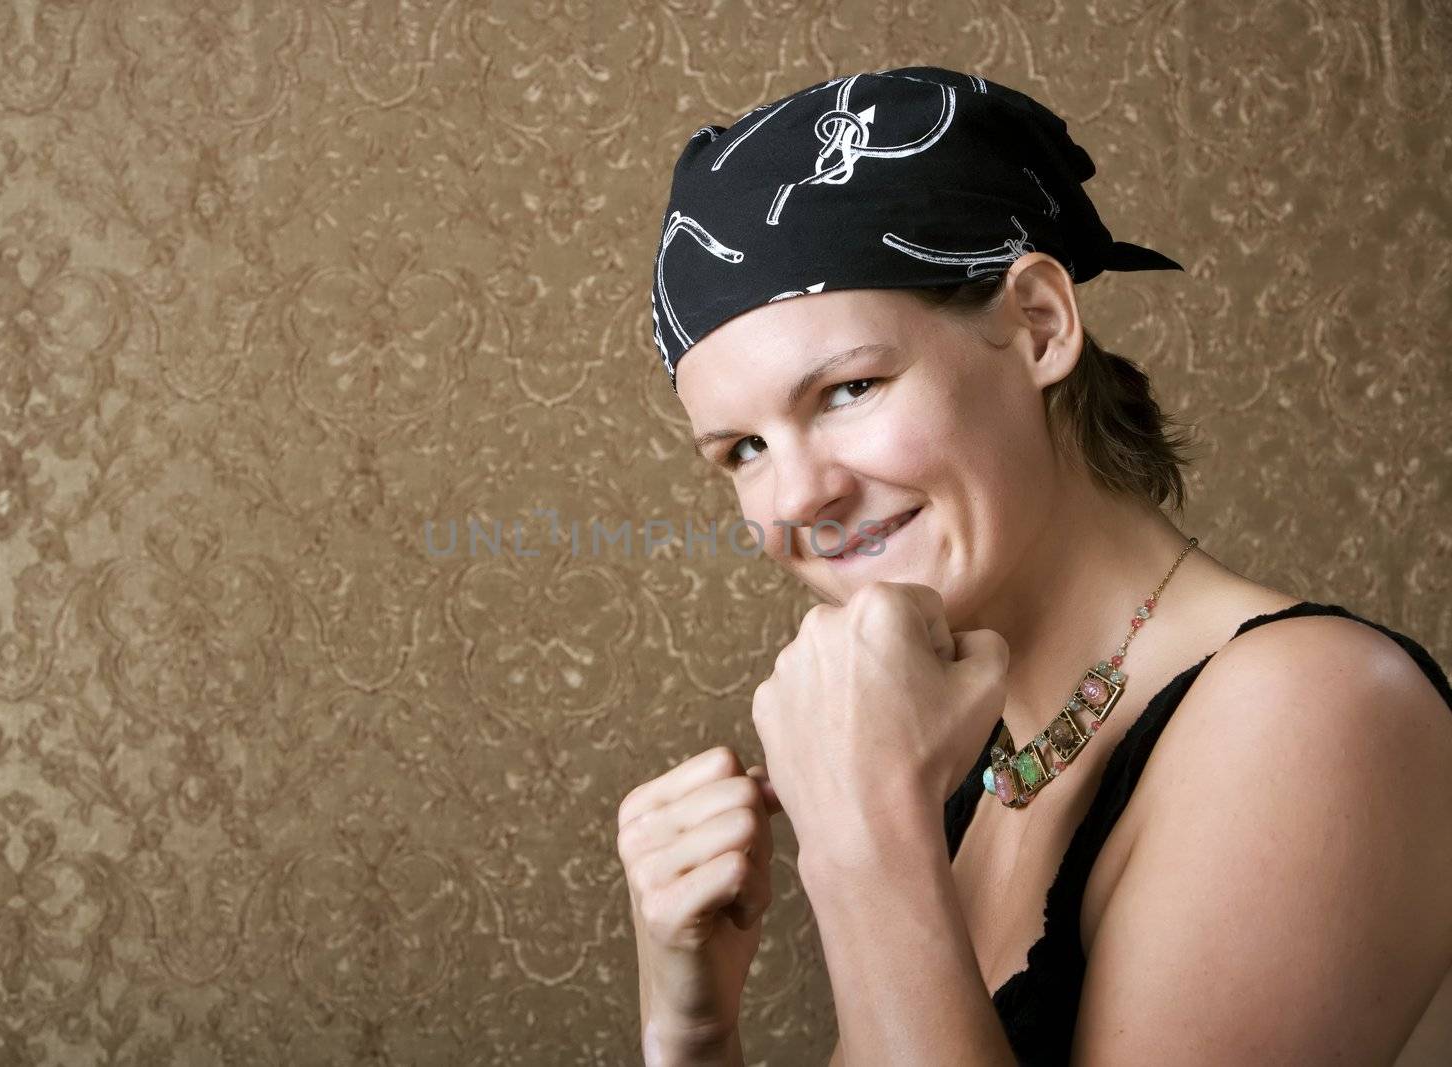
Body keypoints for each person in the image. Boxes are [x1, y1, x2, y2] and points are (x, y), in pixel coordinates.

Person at [616, 66, 1452, 1066]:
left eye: (847, 388)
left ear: (1040, 324)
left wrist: (860, 839)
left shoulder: (1314, 708)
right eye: (741, 450)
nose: (796, 498)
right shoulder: (978, 762)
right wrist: (691, 1030)